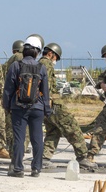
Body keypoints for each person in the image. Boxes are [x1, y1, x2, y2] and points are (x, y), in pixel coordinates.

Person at [40, 43, 95, 171]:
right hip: (53, 103)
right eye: (56, 58)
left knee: (53, 131)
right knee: (72, 127)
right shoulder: (46, 64)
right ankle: (82, 157)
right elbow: (46, 84)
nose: (55, 61)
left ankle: (44, 158)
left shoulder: (38, 63)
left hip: (44, 104)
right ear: (51, 54)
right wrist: (49, 101)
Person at [2, 36, 51, 178]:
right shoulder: (42, 68)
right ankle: (36, 169)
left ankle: (18, 169)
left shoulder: (15, 66)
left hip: (19, 107)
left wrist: (7, 106)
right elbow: (46, 92)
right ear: (37, 52)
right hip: (38, 108)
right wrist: (47, 110)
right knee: (37, 139)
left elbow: (8, 89)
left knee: (19, 138)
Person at [2, 39, 24, 152]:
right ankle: (21, 147)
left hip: (12, 95)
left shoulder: (13, 58)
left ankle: (11, 149)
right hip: (24, 97)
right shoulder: (23, 58)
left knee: (10, 125)